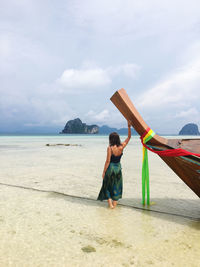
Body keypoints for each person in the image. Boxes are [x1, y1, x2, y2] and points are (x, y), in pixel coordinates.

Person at [97, 121, 131, 208]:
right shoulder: (121, 146)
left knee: (107, 185)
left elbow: (107, 161)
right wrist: (129, 127)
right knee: (116, 186)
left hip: (111, 168)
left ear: (111, 139)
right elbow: (129, 137)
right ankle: (114, 206)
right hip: (118, 168)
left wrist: (104, 171)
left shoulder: (110, 148)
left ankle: (110, 205)